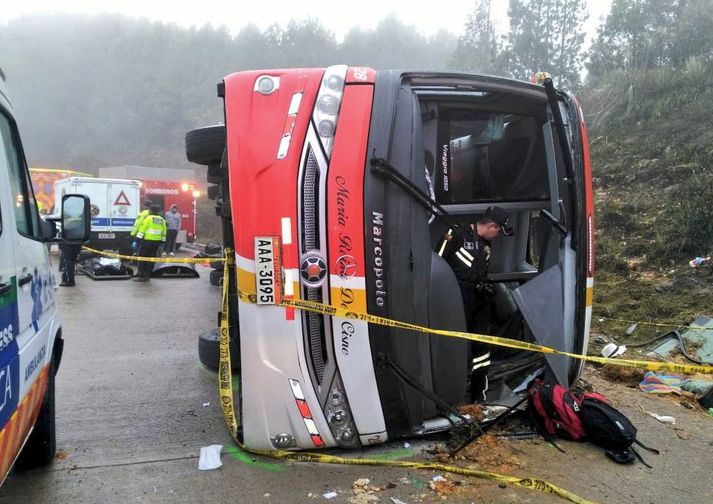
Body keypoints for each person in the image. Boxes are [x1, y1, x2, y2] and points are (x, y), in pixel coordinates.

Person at [436, 205, 513, 402]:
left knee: (482, 349)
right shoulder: (457, 234)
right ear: (491, 225)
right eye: (498, 230)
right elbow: (436, 265)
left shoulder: (486, 244)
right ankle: (448, 395)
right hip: (455, 299)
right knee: (453, 346)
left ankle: (479, 396)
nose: (497, 235)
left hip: (479, 301)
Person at [133, 204, 167, 282]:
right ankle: (147, 276)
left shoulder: (148, 218)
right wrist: (162, 242)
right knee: (151, 259)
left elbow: (142, 230)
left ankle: (141, 276)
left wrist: (136, 241)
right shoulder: (162, 220)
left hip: (146, 242)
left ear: (151, 211)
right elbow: (164, 232)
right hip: (156, 243)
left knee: (142, 259)